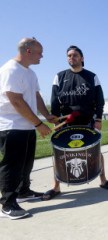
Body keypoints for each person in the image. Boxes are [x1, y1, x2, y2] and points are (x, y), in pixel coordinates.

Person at [43, 45, 108, 200]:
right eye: (69, 55)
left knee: (97, 151)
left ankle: (103, 180)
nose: (71, 57)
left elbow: (99, 100)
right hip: (66, 124)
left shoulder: (92, 76)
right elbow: (54, 100)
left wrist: (98, 118)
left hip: (87, 122)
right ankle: (56, 187)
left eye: (75, 55)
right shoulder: (60, 76)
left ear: (82, 58)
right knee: (58, 154)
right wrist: (55, 117)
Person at [0, 38, 55, 219]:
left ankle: (24, 192)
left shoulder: (30, 73)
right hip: (11, 126)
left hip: (27, 127)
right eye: (40, 52)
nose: (42, 56)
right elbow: (16, 100)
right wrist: (39, 124)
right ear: (28, 51)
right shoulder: (10, 70)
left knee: (26, 163)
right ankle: (7, 204)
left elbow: (36, 96)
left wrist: (46, 116)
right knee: (12, 165)